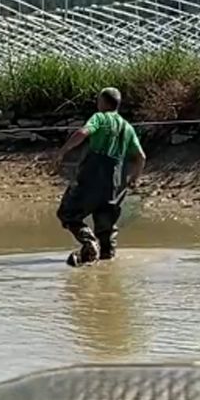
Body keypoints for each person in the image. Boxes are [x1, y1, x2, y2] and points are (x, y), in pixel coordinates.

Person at [53, 87, 146, 266]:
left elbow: (82, 133)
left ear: (103, 102)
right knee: (107, 228)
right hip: (115, 183)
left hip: (92, 176)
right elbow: (141, 157)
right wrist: (135, 178)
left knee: (68, 213)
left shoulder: (100, 118)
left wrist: (62, 152)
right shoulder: (127, 127)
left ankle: (88, 242)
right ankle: (106, 264)